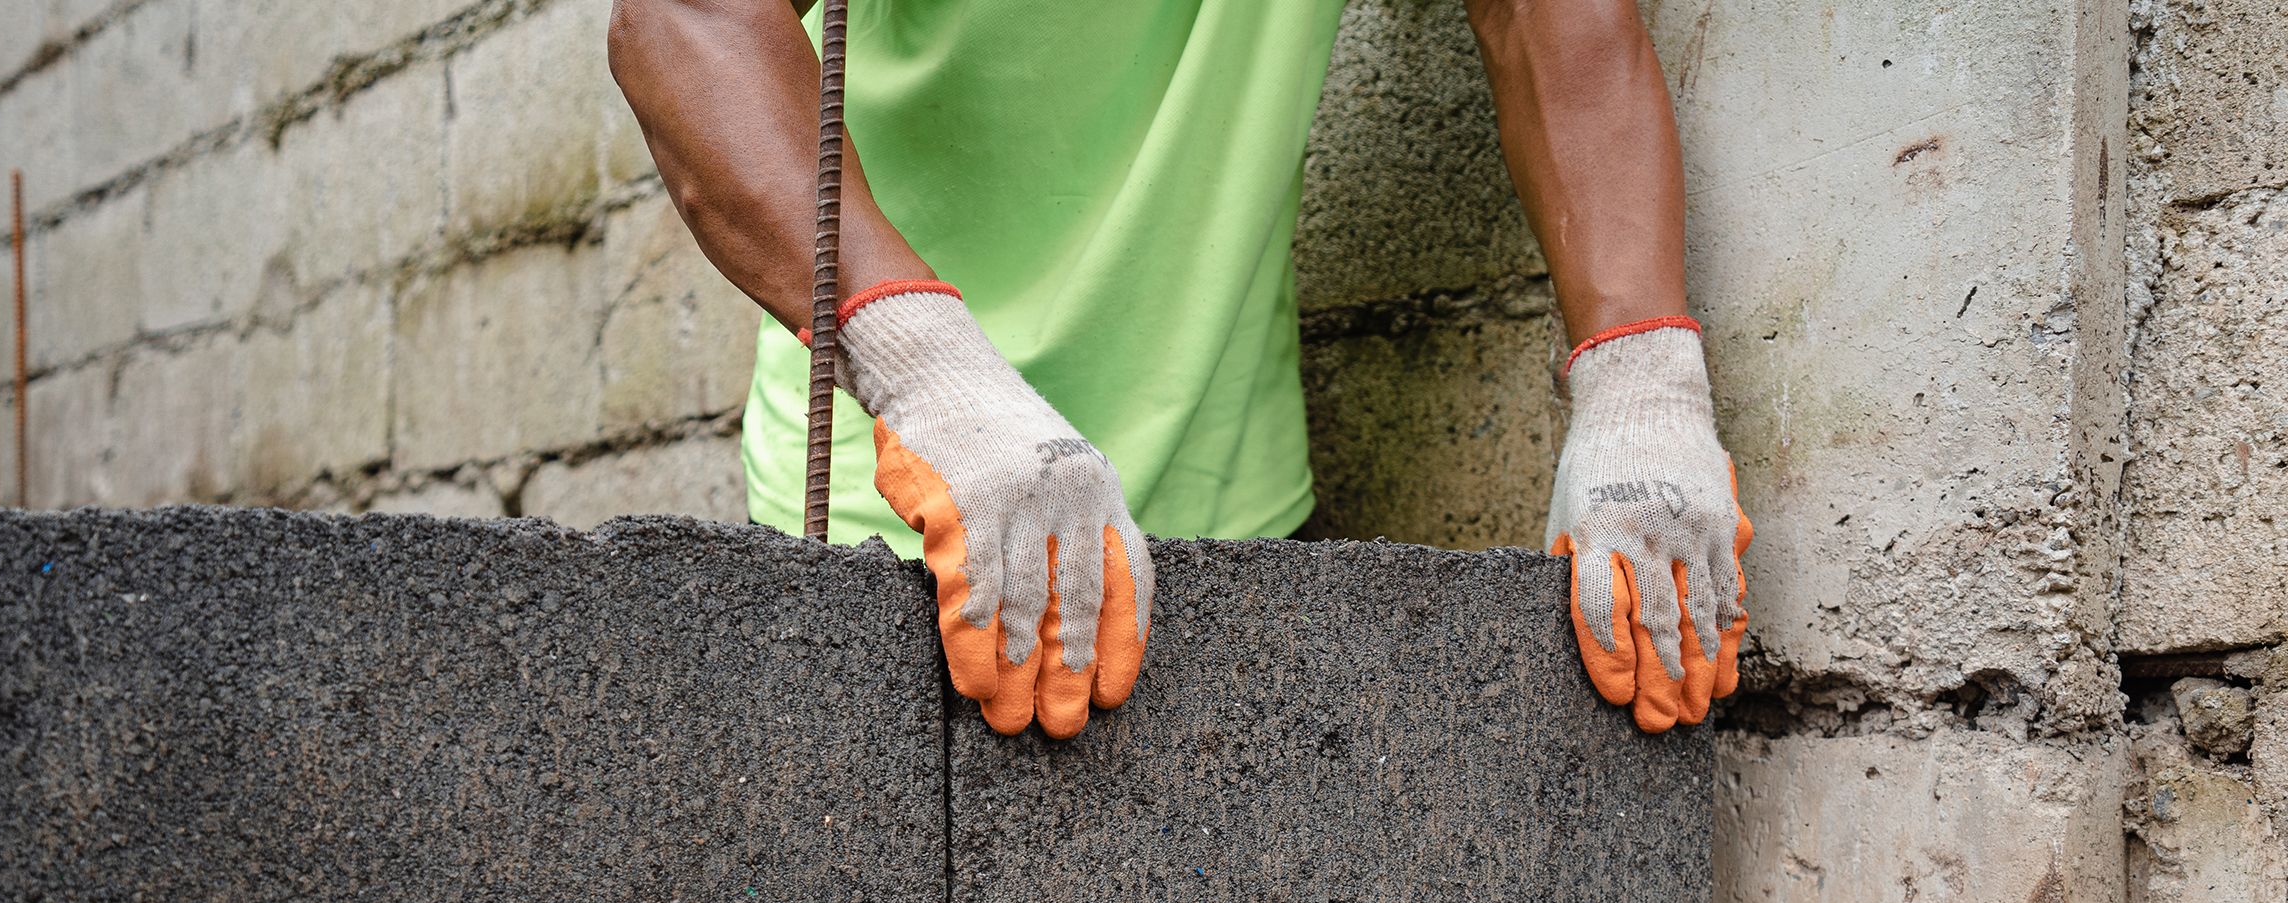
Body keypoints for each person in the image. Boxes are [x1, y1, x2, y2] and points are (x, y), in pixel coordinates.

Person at [609, 0, 1751, 739]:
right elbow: (684, 15)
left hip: (1231, 496)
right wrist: (923, 373)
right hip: (914, 483)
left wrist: (1640, 377)